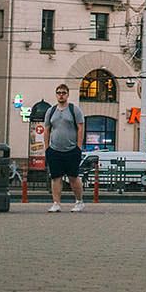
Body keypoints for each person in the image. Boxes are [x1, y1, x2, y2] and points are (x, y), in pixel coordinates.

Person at [44, 84, 86, 212]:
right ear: (56, 95)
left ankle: (79, 201)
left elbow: (80, 128)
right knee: (56, 177)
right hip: (55, 150)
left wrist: (78, 147)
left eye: (63, 93)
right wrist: (47, 148)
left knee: (73, 177)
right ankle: (56, 203)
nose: (61, 95)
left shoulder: (74, 110)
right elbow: (47, 130)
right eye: (58, 93)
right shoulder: (51, 111)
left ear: (67, 94)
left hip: (72, 150)